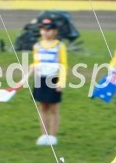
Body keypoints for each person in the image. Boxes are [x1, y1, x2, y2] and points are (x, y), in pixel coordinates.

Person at [28, 18, 67, 146]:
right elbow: (36, 62)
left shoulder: (59, 46)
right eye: (43, 29)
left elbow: (63, 64)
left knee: (54, 108)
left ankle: (53, 135)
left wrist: (61, 82)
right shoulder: (37, 46)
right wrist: (32, 68)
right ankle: (44, 135)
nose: (45, 32)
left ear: (55, 31)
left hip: (53, 78)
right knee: (43, 107)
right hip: (40, 79)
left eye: (48, 29)